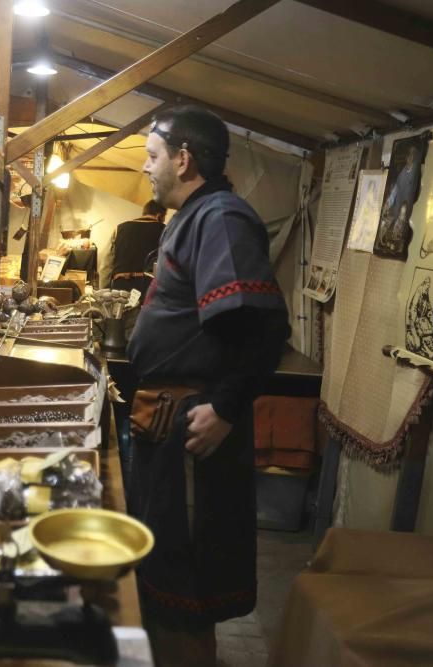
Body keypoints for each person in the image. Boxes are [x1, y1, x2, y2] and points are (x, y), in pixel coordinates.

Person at [126, 106, 290, 667]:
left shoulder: (219, 217)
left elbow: (264, 325)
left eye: (152, 156)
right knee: (165, 566)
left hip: (191, 429)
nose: (146, 168)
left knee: (184, 575)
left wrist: (224, 405)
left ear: (183, 158)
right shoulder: (195, 215)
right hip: (166, 420)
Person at [105, 200, 167, 294]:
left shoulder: (120, 228)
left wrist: (105, 289)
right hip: (150, 287)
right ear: (159, 215)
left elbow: (106, 265)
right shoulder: (165, 230)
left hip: (120, 287)